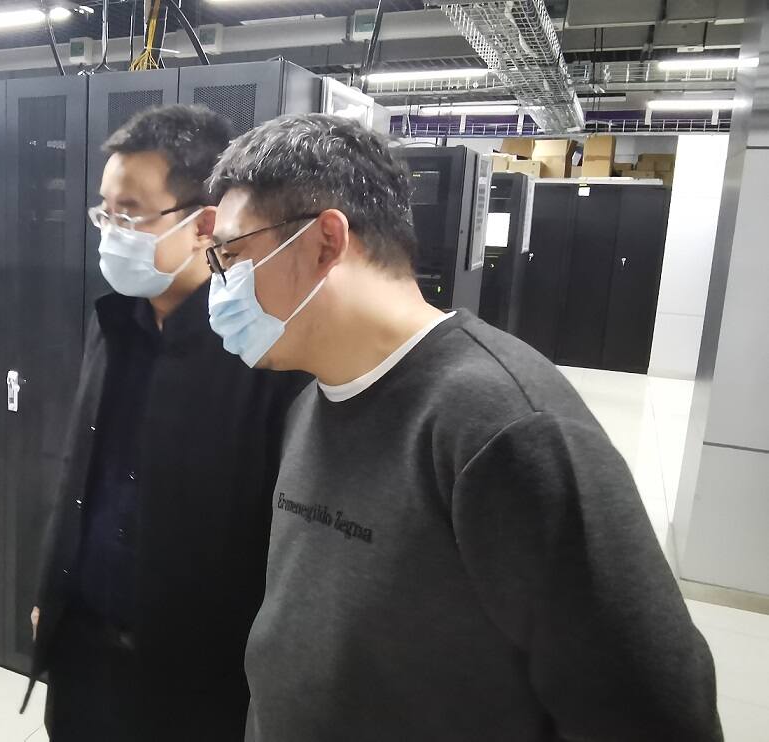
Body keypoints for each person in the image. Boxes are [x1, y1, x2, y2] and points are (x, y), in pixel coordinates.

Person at [203, 113, 721, 741]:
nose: (219, 283)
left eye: (231, 255)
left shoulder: (504, 428)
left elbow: (656, 711)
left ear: (326, 242)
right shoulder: (312, 402)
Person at [24, 104, 308, 741]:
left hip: (196, 677)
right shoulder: (113, 323)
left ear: (204, 224)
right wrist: (52, 591)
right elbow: (81, 471)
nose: (110, 232)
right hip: (84, 652)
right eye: (104, 212)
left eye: (130, 213)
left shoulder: (257, 347)